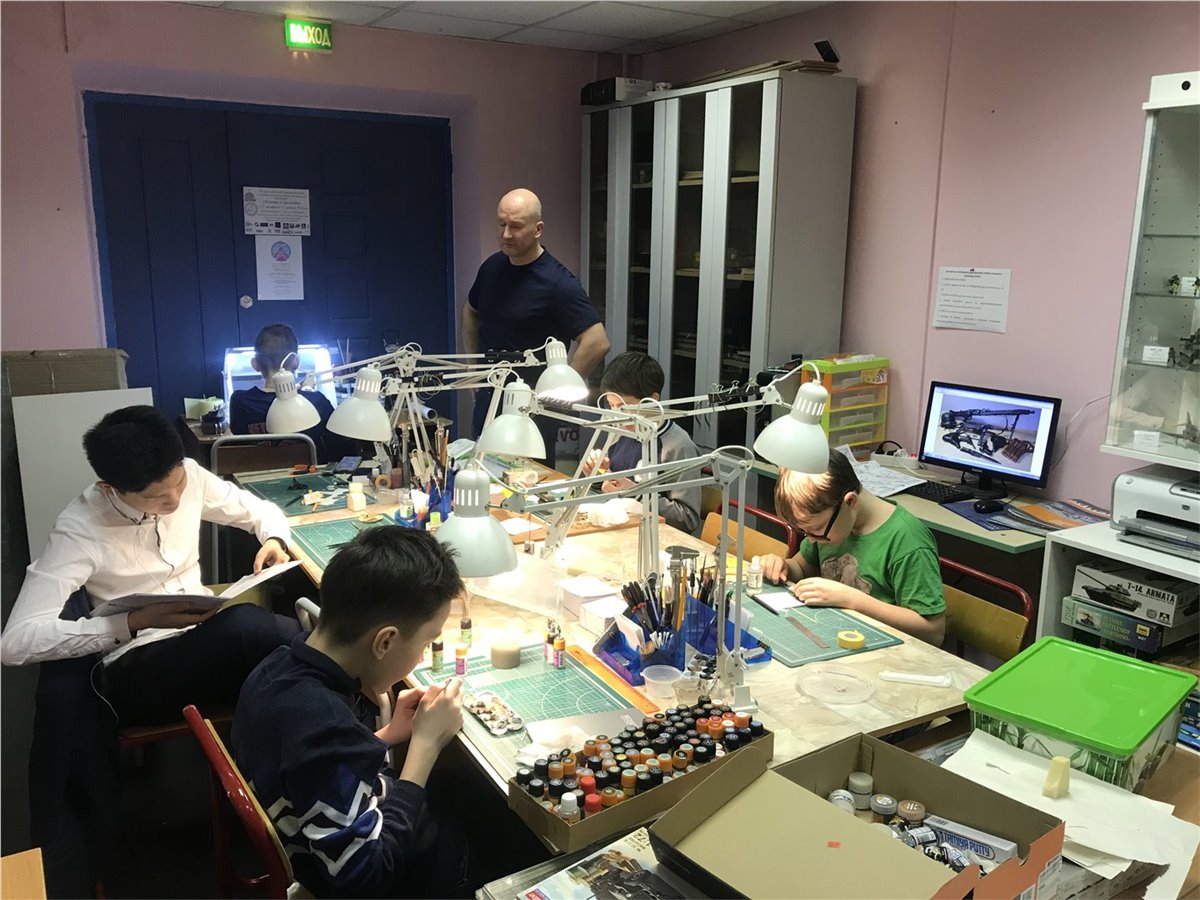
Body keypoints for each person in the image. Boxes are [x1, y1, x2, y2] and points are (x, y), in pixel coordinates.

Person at [0, 405, 301, 724]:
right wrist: (132, 622)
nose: (174, 500)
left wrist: (274, 539)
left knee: (278, 664)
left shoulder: (190, 474)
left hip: (204, 636)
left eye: (179, 484)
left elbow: (262, 511)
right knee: (253, 631)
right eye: (154, 497)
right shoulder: (79, 530)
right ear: (109, 488)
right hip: (138, 664)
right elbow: (15, 643)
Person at [233, 526, 469, 898]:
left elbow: (312, 766)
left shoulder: (276, 668)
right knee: (473, 829)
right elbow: (365, 878)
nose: (424, 655)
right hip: (356, 876)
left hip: (312, 824)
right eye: (426, 642)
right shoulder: (324, 726)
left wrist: (383, 738)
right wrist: (425, 745)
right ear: (385, 641)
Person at [462, 188, 610, 467]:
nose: (506, 234)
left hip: (532, 414)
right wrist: (472, 369)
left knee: (526, 482)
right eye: (501, 224)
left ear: (538, 229)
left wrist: (556, 396)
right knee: (481, 471)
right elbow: (471, 311)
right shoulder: (491, 267)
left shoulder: (558, 283)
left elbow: (597, 341)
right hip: (489, 400)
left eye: (516, 226)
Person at [759, 452, 946, 645]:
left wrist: (851, 599)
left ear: (850, 502)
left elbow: (933, 632)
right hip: (835, 635)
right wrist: (784, 567)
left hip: (886, 650)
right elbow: (802, 566)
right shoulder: (837, 525)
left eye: (816, 529)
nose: (812, 540)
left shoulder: (908, 541)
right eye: (806, 532)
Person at [582, 352, 701, 535]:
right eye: (612, 405)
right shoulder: (621, 429)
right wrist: (598, 475)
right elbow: (609, 487)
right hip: (619, 530)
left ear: (652, 399)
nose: (618, 416)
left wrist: (635, 492)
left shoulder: (678, 446)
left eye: (625, 407)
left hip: (654, 540)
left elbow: (687, 520)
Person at [229, 322, 359, 464]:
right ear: (296, 362)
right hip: (309, 475)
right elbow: (339, 449)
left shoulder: (239, 402)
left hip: (255, 475)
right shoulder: (317, 402)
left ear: (255, 364)